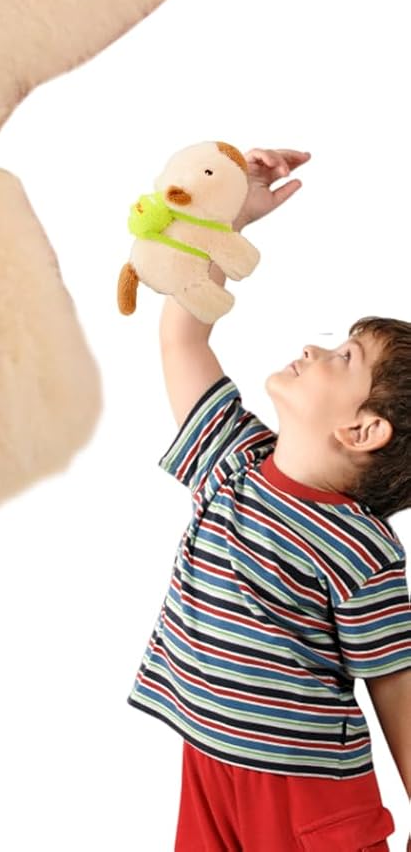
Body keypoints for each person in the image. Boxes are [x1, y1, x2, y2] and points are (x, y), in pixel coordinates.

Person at [129, 148, 411, 850]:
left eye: (344, 358)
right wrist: (222, 219)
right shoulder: (231, 456)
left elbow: (395, 687)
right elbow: (182, 334)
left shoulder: (361, 548)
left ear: (363, 430)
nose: (315, 350)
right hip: (209, 759)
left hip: (305, 794)